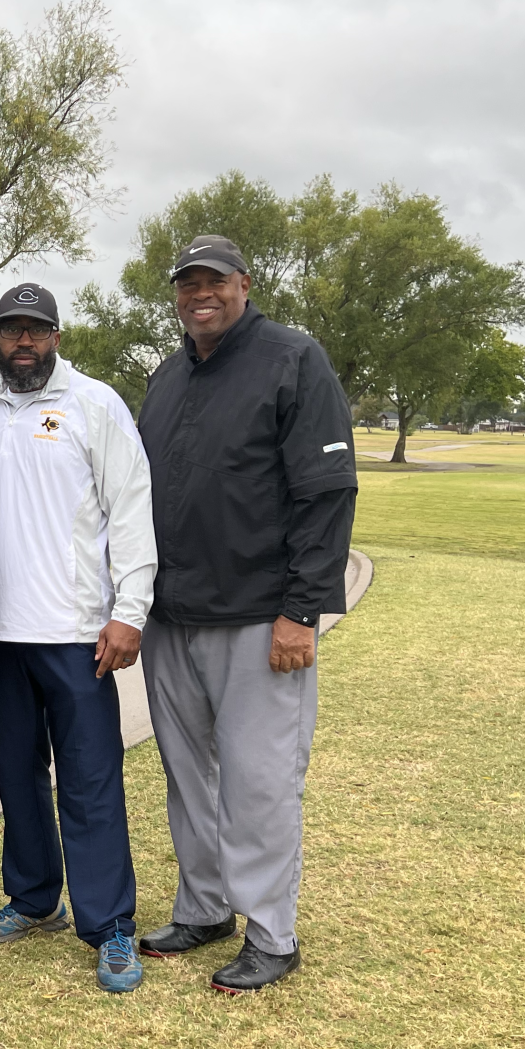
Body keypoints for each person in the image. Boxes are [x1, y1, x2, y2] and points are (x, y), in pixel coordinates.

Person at [134, 235, 357, 995]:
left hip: (262, 617)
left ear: (243, 284)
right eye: (187, 282)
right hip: (173, 617)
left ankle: (272, 932)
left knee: (259, 782)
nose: (201, 293)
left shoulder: (293, 359)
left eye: (214, 281)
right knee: (187, 776)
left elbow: (326, 493)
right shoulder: (166, 377)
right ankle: (204, 907)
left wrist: (303, 611)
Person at [0, 282, 157, 994]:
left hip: (78, 635)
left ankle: (109, 926)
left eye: (36, 331)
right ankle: (34, 896)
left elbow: (131, 510)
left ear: (57, 337)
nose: (24, 343)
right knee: (17, 776)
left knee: (91, 782)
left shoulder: (95, 405)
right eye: (12, 330)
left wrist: (130, 609)